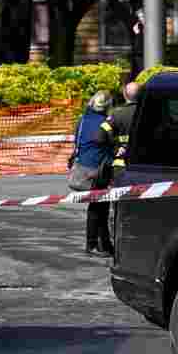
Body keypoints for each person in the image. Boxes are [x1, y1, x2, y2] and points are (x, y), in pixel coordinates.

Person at [72, 90, 114, 256]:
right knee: (99, 207)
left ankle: (103, 244)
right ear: (107, 106)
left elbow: (77, 141)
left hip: (83, 166)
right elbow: (109, 144)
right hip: (98, 170)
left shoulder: (82, 120)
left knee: (98, 206)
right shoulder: (105, 123)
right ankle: (94, 244)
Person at [95, 81, 141, 174]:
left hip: (121, 165)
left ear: (124, 94)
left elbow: (100, 138)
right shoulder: (151, 113)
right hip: (144, 166)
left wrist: (116, 149)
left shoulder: (116, 114)